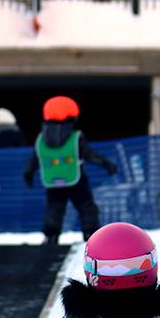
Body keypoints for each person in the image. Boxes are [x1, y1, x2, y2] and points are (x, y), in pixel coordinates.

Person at [23, 95, 117, 244]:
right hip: (76, 179)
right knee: (86, 205)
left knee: (54, 207)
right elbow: (89, 154)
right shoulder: (75, 137)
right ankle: (90, 234)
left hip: (52, 180)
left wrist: (28, 172)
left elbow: (35, 157)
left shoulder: (41, 139)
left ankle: (51, 236)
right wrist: (106, 164)